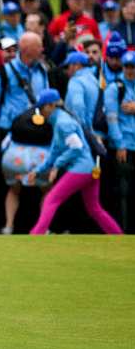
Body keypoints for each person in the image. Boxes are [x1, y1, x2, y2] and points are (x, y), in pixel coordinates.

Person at [27, 89, 122, 235]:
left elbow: (76, 147)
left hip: (81, 170)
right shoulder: (60, 121)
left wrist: (57, 166)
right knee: (94, 208)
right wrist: (38, 170)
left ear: (51, 106)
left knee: (51, 200)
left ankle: (35, 236)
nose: (39, 112)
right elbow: (55, 151)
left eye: (41, 108)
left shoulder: (62, 123)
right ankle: (119, 236)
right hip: (90, 169)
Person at [105, 51, 135, 233]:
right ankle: (122, 229)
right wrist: (119, 144)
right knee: (123, 190)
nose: (130, 71)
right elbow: (112, 118)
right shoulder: (115, 88)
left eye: (133, 67)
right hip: (124, 145)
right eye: (128, 67)